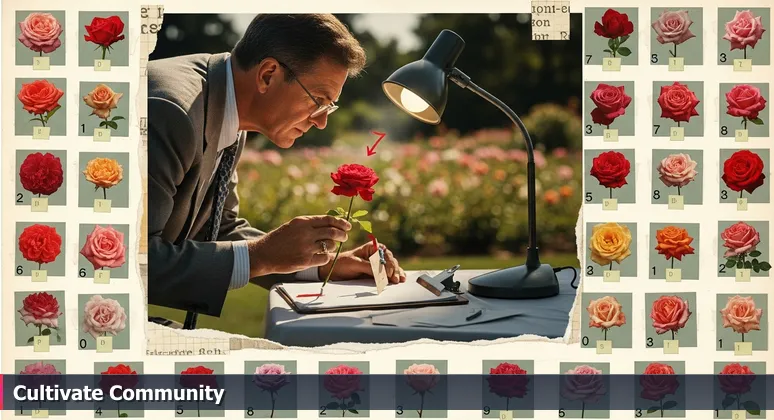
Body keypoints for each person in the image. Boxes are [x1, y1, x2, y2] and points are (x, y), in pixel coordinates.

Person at [147, 14, 406, 322]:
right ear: (268, 75)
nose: (322, 121)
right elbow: (128, 262)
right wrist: (261, 255)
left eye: (329, 106)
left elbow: (218, 228)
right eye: (318, 100)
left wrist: (319, 264)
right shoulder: (172, 111)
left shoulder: (227, 107)